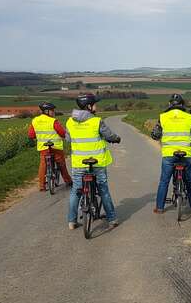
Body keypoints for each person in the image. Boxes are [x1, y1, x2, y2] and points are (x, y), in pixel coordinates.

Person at [65, 94, 121, 230]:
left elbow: (67, 139)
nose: (96, 106)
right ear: (89, 106)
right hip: (97, 163)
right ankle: (112, 219)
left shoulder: (69, 122)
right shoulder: (97, 121)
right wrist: (116, 139)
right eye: (95, 104)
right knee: (103, 191)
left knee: (76, 191)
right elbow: (109, 135)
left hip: (79, 163)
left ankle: (71, 221)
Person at [151, 94, 191, 213]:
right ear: (182, 104)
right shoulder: (189, 117)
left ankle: (159, 207)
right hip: (186, 153)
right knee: (190, 181)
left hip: (169, 153)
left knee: (164, 181)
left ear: (170, 104)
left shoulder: (163, 117)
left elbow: (156, 135)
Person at [28, 102, 72, 191]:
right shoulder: (53, 121)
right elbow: (62, 132)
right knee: (61, 164)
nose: (53, 112)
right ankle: (68, 181)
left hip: (43, 147)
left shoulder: (35, 120)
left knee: (43, 165)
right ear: (47, 111)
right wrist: (65, 137)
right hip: (55, 147)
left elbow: (31, 135)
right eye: (52, 110)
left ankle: (41, 185)